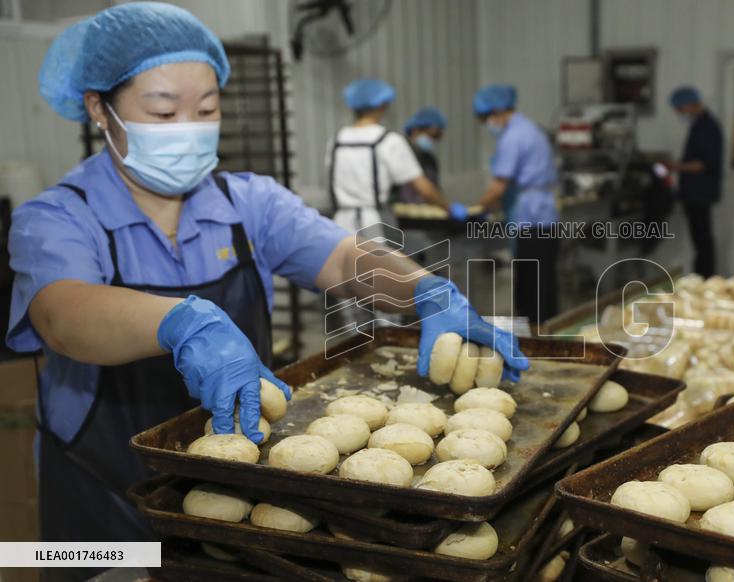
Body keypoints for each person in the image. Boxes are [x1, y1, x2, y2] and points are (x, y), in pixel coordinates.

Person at [8, 4, 526, 577]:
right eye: (163, 110)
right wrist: (183, 322)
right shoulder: (55, 216)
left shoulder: (247, 202)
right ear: (99, 109)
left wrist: (426, 289)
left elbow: (344, 257)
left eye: (206, 109)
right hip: (101, 503)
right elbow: (62, 314)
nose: (189, 126)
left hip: (243, 492)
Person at [327, 80, 465, 234]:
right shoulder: (387, 140)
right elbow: (424, 188)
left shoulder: (336, 141)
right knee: (374, 258)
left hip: (341, 222)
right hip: (372, 222)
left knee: (345, 258)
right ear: (383, 105)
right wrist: (449, 208)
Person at [473, 85, 559, 324]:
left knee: (531, 290)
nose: (488, 124)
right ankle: (544, 335)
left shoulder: (513, 136)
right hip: (544, 216)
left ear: (498, 111)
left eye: (486, 118)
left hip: (530, 219)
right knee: (542, 285)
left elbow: (499, 185)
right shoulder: (531, 129)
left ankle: (535, 344)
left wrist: (475, 209)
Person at [666, 86, 723, 278]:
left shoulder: (707, 127)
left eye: (680, 110)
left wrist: (675, 167)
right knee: (700, 239)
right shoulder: (699, 125)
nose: (679, 114)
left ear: (690, 105)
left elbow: (702, 164)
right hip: (695, 193)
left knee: (702, 240)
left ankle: (704, 278)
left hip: (700, 193)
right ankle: (702, 276)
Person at [398, 107, 447, 204]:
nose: (433, 140)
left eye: (437, 137)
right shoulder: (399, 154)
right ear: (415, 130)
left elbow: (435, 190)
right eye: (431, 135)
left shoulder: (430, 160)